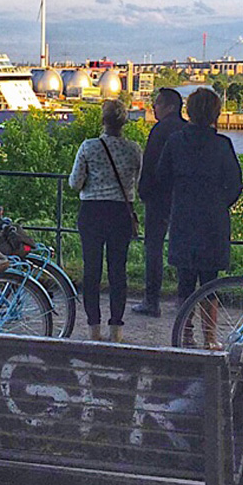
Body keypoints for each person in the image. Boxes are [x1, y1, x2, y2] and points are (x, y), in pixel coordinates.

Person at [157, 88, 243, 318]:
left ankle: (184, 334)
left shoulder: (175, 142)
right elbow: (235, 184)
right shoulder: (222, 144)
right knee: (210, 284)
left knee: (184, 283)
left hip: (183, 216)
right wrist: (219, 204)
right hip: (213, 221)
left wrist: (174, 202)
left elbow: (161, 178)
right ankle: (210, 338)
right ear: (216, 113)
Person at [68, 99, 142, 342]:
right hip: (121, 211)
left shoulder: (89, 147)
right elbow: (138, 185)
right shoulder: (134, 149)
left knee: (92, 270)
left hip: (92, 211)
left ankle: (93, 328)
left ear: (103, 120)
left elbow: (74, 182)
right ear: (124, 122)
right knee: (117, 270)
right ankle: (116, 328)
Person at [132, 88, 187, 318]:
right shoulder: (186, 130)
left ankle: (151, 299)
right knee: (184, 249)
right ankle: (184, 302)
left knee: (153, 248)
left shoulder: (160, 130)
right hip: (182, 199)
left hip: (158, 199)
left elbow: (150, 164)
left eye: (157, 104)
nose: (153, 107)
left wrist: (143, 192)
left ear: (169, 107)